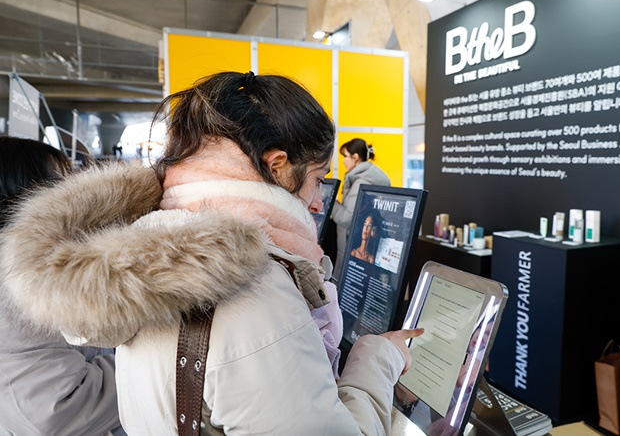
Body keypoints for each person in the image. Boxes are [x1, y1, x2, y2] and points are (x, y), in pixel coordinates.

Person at [0, 72, 423, 434]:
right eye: (317, 178)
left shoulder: (144, 256)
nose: (318, 201)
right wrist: (376, 359)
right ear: (277, 165)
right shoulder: (256, 292)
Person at [0, 136, 123, 435]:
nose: (75, 192)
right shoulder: (17, 269)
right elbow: (55, 408)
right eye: (59, 183)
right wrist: (156, 361)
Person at [332, 138, 390, 277]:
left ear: (355, 157)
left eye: (345, 156)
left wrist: (331, 202)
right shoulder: (368, 179)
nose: (343, 161)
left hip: (353, 244)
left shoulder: (360, 183)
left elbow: (347, 218)